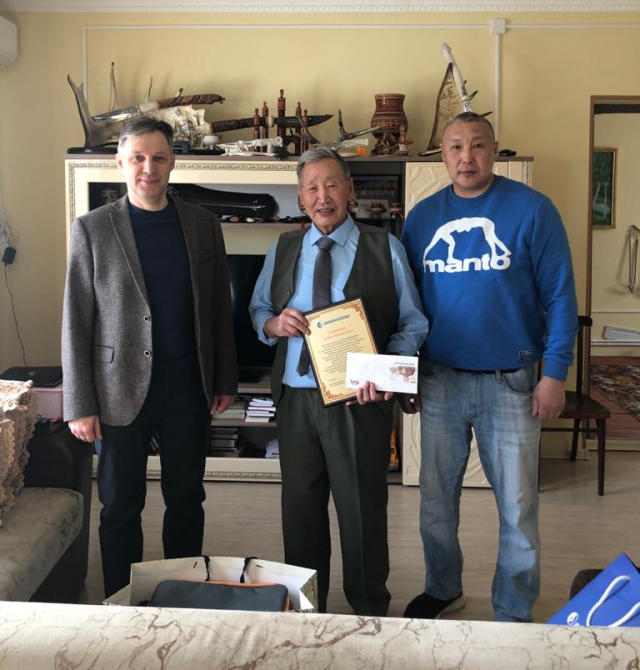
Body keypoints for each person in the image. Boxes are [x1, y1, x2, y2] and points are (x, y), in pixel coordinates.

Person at [400, 112, 578, 623]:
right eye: (456, 146)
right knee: (436, 501)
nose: (467, 157)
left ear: (494, 150)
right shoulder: (423, 218)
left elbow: (560, 297)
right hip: (439, 380)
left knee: (518, 506)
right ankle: (442, 588)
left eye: (477, 145)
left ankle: (514, 609)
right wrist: (404, 373)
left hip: (512, 382)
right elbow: (406, 306)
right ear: (443, 155)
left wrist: (555, 373)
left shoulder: (533, 210)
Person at [62, 117, 237, 597]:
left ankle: (181, 597)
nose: (148, 168)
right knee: (120, 506)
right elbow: (75, 319)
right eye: (138, 158)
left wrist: (224, 378)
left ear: (172, 162)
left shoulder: (203, 225)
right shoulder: (92, 228)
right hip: (117, 389)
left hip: (188, 386)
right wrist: (79, 403)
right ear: (120, 162)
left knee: (187, 500)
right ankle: (122, 602)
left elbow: (218, 308)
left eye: (158, 157)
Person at [250, 146, 428, 616]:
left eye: (331, 184)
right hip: (296, 402)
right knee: (300, 513)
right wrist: (273, 324)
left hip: (358, 402)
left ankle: (369, 611)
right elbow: (258, 310)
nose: (322, 196)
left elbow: (412, 322)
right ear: (300, 197)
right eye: (311, 187)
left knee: (362, 511)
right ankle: (307, 612)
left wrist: (385, 368)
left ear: (350, 190)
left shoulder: (385, 247)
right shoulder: (283, 248)